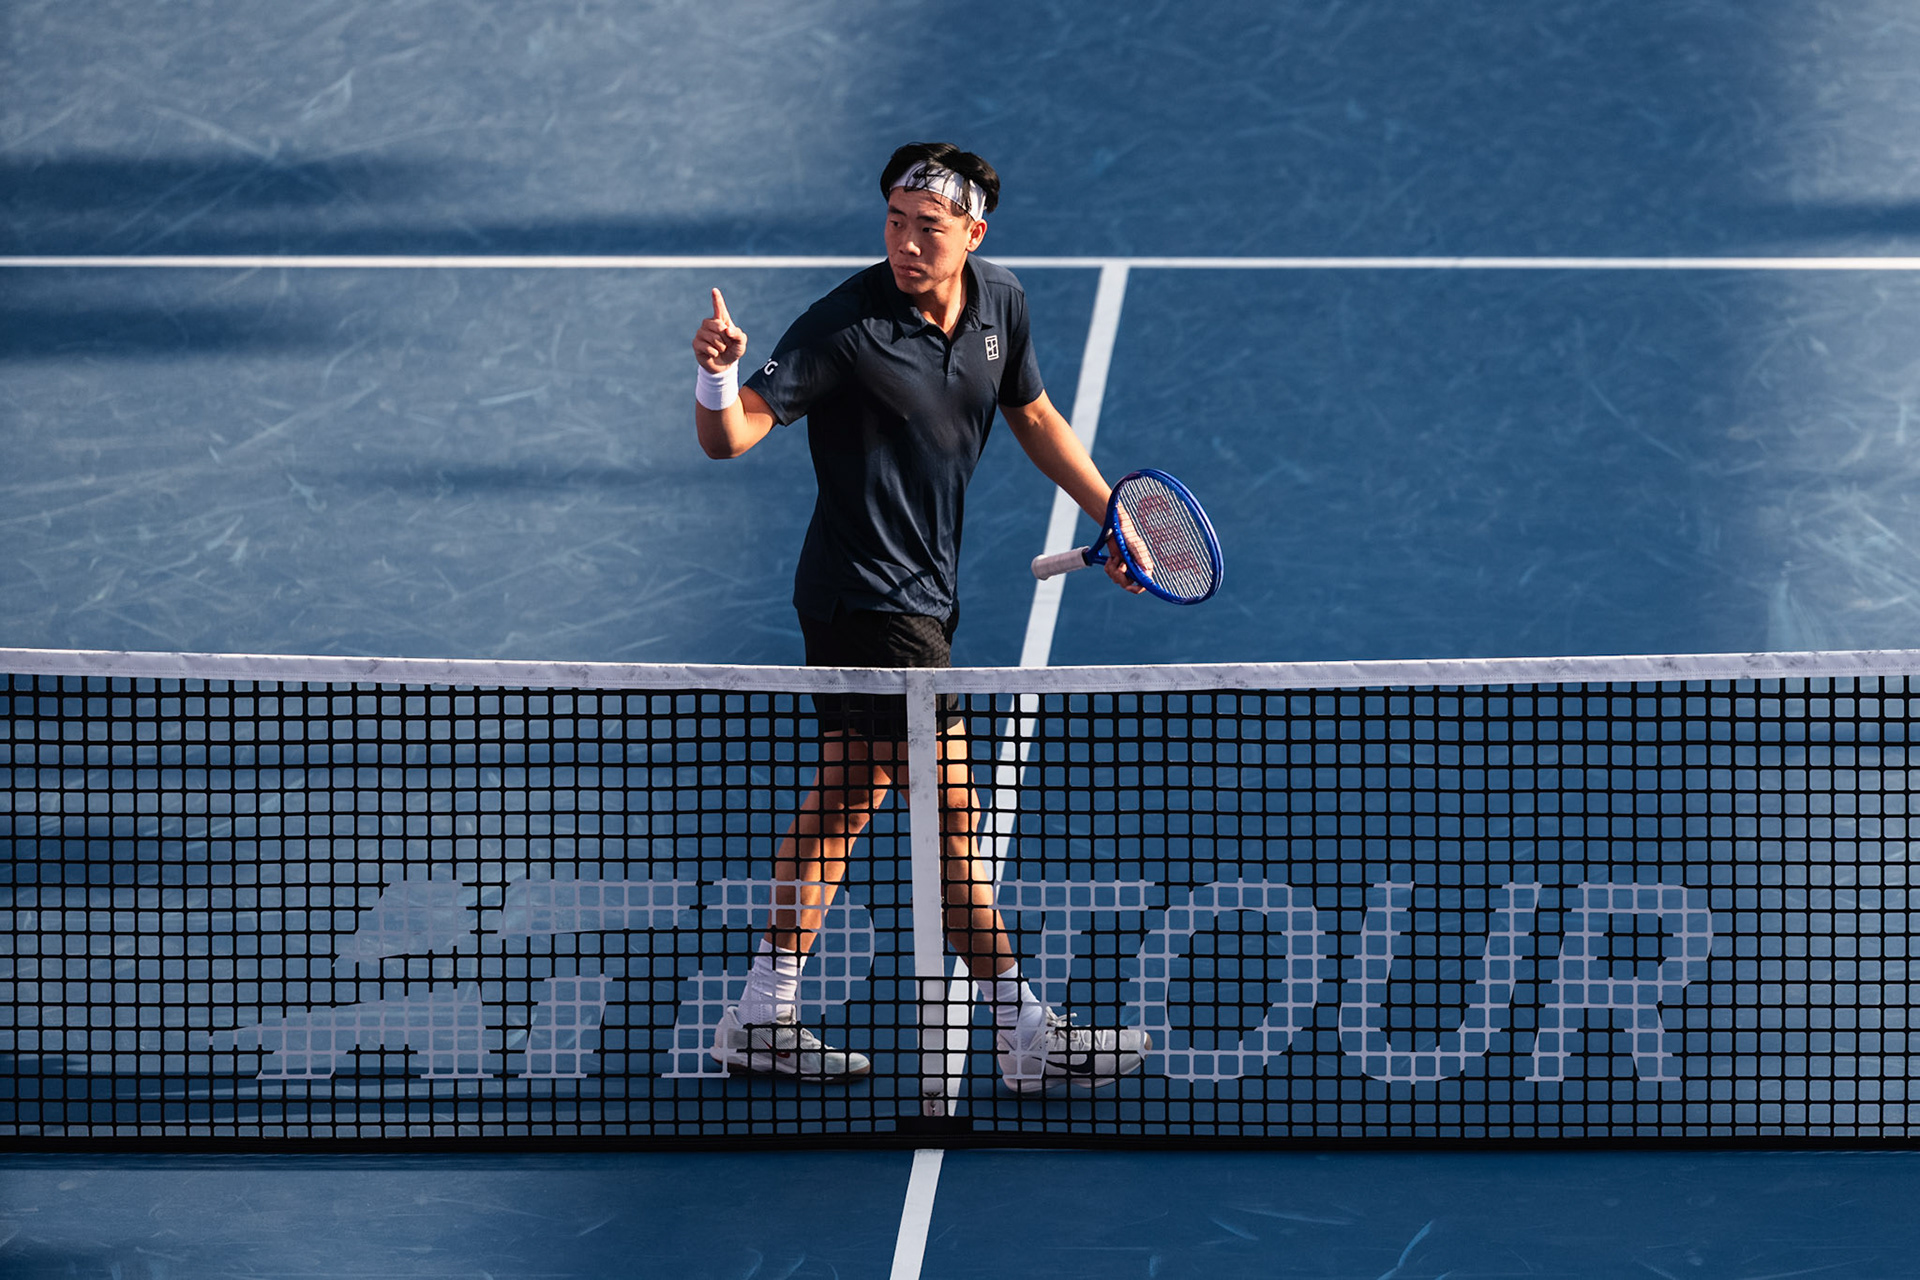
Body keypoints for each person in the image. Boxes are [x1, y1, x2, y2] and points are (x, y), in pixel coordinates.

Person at [690, 142, 1150, 1094]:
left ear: (973, 235)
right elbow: (729, 439)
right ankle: (1028, 1031)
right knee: (953, 824)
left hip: (923, 598)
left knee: (839, 810)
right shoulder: (844, 326)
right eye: (894, 222)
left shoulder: (1001, 306)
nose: (905, 243)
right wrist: (716, 377)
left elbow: (1032, 415)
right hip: (866, 607)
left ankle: (758, 1018)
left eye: (927, 228)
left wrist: (1115, 513)